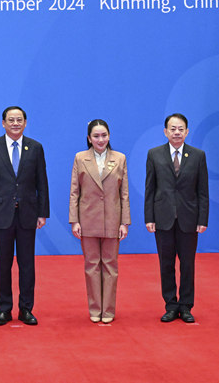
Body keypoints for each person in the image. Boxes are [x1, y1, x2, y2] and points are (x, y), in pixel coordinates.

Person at [0, 106, 49, 326]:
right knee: (3, 264)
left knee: (27, 264)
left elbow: (42, 182)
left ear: (25, 123)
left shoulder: (35, 147)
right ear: (3, 123)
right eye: (11, 120)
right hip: (1, 214)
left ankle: (26, 309)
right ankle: (4, 309)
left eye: (19, 120)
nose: (15, 123)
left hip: (28, 214)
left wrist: (43, 212)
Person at [145, 113, 209, 324]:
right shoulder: (154, 154)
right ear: (165, 132)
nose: (177, 132)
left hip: (188, 219)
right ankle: (171, 306)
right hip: (163, 218)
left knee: (187, 265)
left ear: (187, 132)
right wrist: (149, 217)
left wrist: (202, 219)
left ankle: (186, 306)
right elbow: (150, 189)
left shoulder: (198, 156)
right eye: (172, 129)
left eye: (181, 129)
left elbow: (202, 191)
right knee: (166, 264)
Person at [69, 119, 130, 324]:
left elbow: (124, 194)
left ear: (109, 136)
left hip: (113, 219)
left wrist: (124, 222)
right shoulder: (80, 158)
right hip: (87, 220)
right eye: (96, 136)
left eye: (104, 135)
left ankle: (108, 310)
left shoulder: (120, 158)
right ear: (89, 138)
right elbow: (74, 192)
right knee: (92, 266)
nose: (100, 139)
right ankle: (95, 308)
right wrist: (74, 220)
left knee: (111, 266)